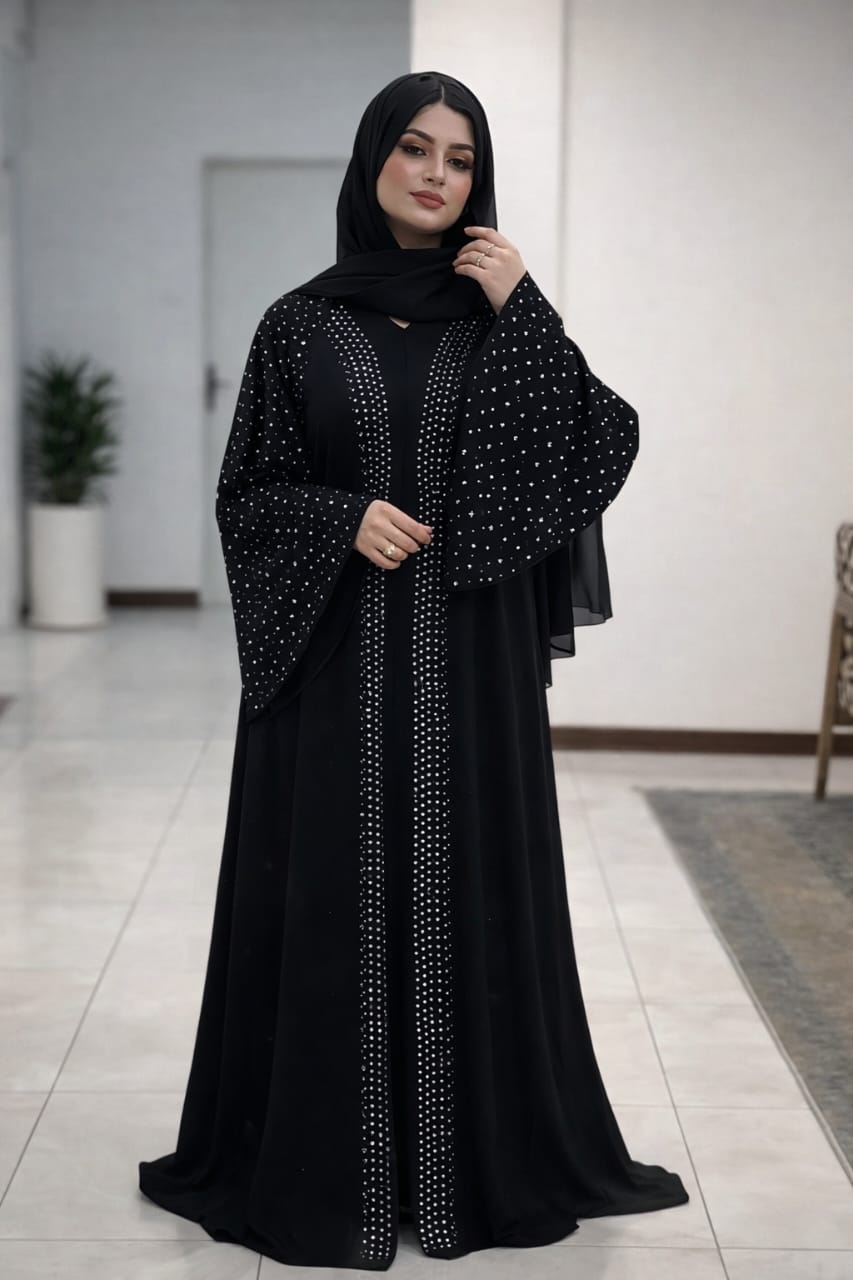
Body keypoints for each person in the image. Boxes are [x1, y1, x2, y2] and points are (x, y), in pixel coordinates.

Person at [138, 70, 689, 1270]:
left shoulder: (498, 317)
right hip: (333, 666)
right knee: (334, 892)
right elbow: (246, 498)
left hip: (471, 668)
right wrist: (340, 517)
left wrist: (526, 304)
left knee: (462, 886)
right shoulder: (298, 324)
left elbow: (596, 441)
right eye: (415, 148)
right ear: (373, 158)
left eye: (459, 157)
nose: (436, 174)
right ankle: (328, 1162)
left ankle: (466, 1161)